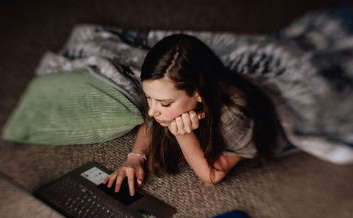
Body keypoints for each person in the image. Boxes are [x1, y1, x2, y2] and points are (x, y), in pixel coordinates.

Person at [103, 34, 287, 196]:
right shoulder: (161, 104)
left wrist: (184, 135)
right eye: (149, 98)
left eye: (165, 103)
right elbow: (150, 124)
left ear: (198, 94)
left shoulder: (235, 114)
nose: (152, 111)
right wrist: (135, 158)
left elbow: (211, 177)